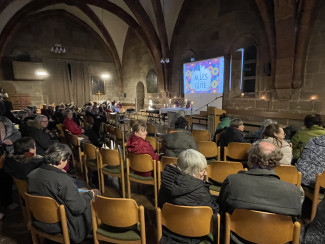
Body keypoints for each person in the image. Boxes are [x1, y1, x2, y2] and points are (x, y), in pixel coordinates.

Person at [218, 141, 301, 243]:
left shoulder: (232, 182)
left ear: (250, 158)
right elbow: (294, 220)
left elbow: (221, 207)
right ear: (277, 161)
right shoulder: (294, 192)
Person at [27, 143, 100, 244]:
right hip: (63, 225)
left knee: (82, 192)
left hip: (39, 220)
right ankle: (96, 231)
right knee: (94, 194)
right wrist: (90, 194)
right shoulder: (64, 180)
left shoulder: (31, 175)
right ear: (61, 160)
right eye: (67, 160)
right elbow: (77, 208)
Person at [158, 149, 219, 243]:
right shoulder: (200, 191)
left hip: (169, 230)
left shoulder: (167, 181)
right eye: (202, 170)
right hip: (192, 234)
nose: (205, 173)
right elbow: (212, 211)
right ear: (192, 171)